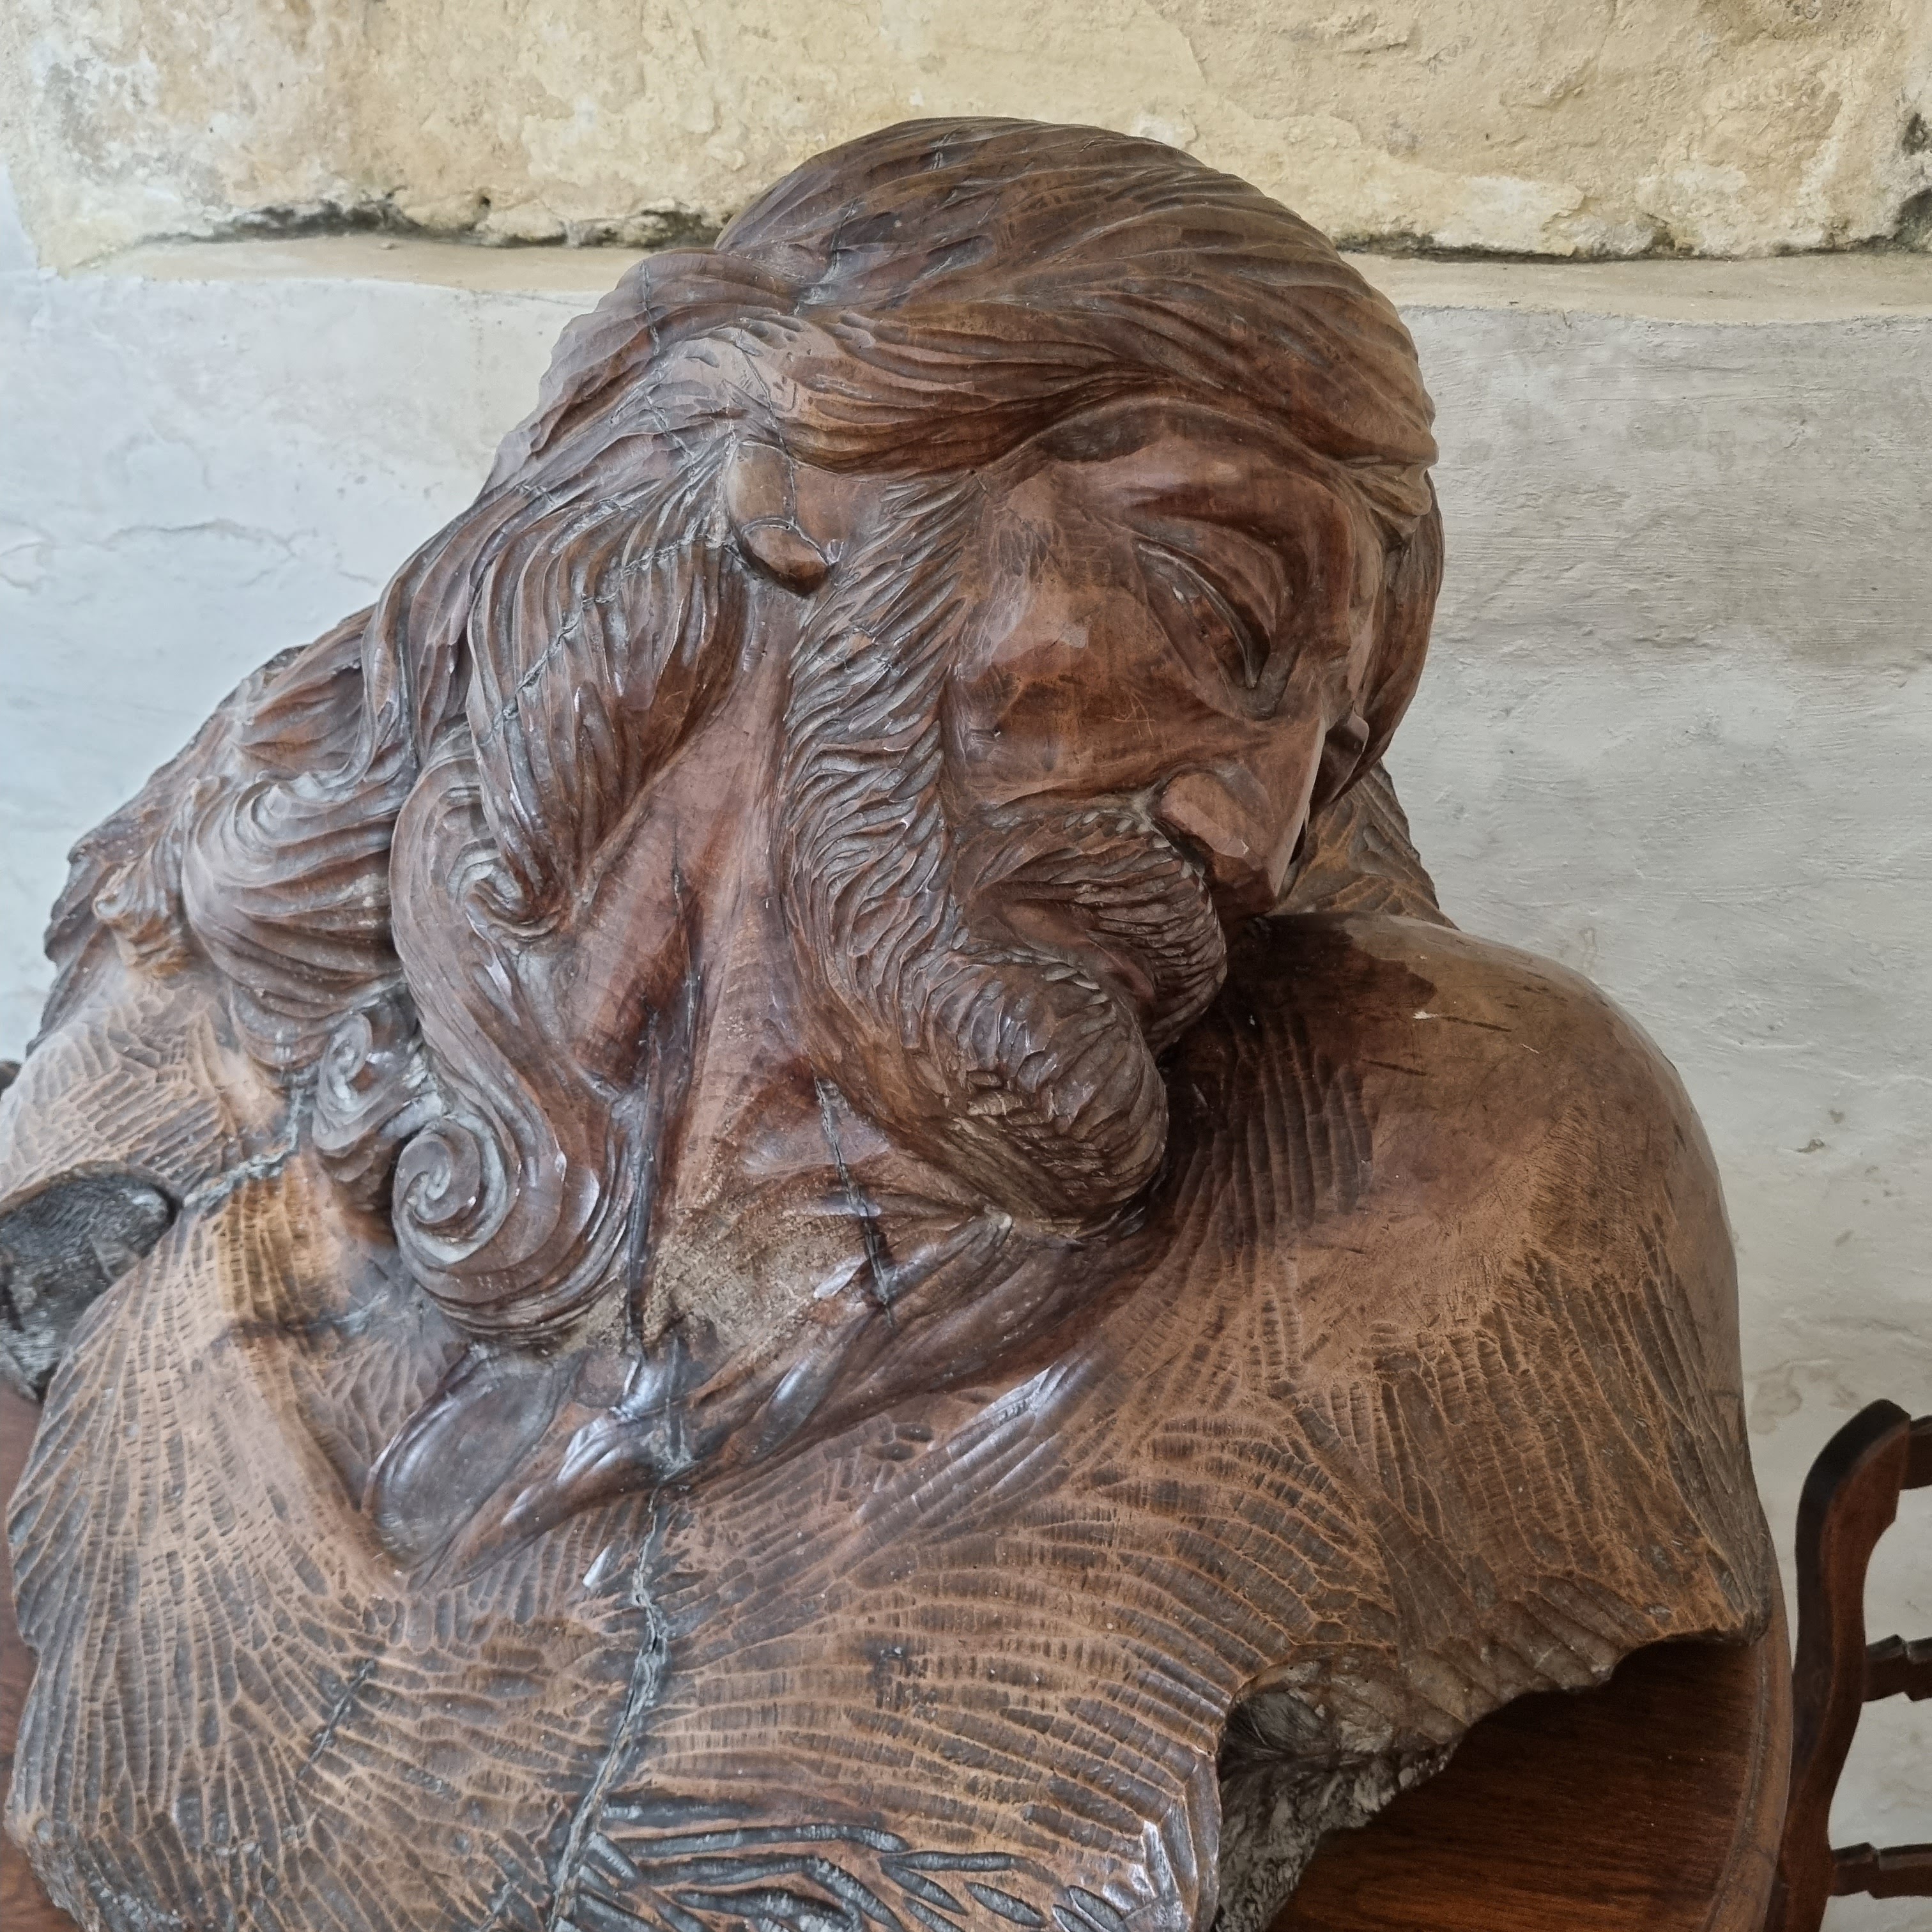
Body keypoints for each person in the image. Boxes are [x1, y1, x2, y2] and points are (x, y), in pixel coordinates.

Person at [1, 121, 1773, 1932]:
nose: (1250, 838)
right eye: (1212, 607)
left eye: (1328, 761)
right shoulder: (201, 1060)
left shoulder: (1434, 1195)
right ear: (806, 483)